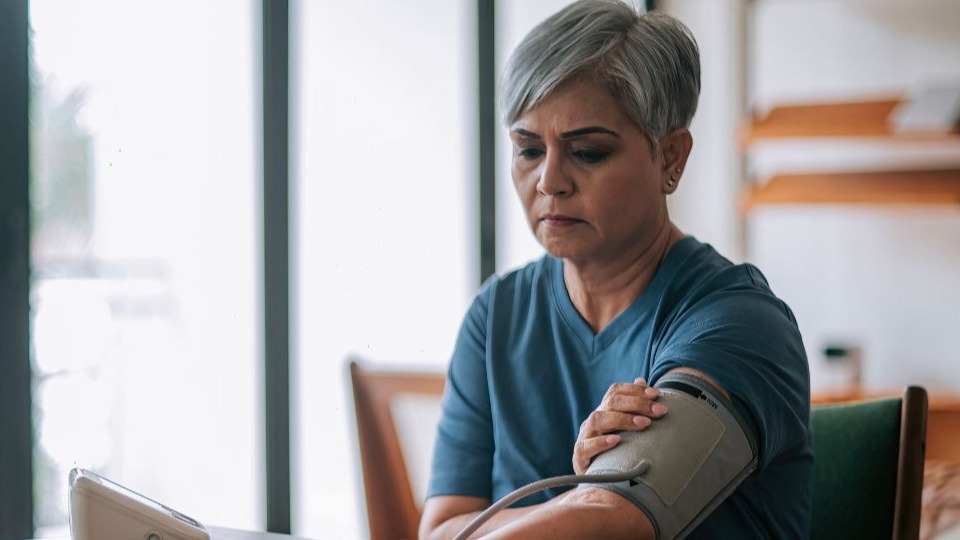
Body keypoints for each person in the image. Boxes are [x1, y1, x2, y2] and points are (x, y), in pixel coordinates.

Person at [419, 0, 812, 538]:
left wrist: (594, 498)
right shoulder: (496, 316)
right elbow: (441, 529)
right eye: (528, 149)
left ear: (670, 158)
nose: (549, 181)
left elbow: (614, 522)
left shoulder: (739, 321)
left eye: (588, 152)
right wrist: (581, 496)